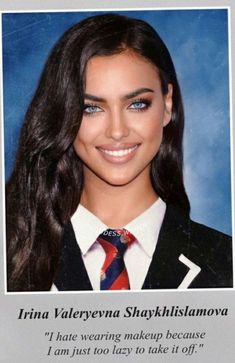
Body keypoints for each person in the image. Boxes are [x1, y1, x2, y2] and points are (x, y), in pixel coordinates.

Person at [6, 13, 232, 292]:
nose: (116, 131)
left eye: (137, 104)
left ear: (168, 104)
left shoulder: (225, 263)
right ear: (63, 113)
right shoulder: (12, 259)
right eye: (91, 107)